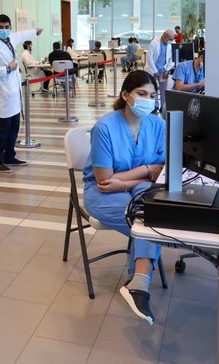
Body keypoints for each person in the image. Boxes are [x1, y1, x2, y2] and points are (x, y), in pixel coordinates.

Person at [83, 70, 165, 325]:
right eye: (141, 94)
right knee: (143, 218)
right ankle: (139, 281)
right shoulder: (105, 127)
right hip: (101, 192)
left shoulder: (158, 124)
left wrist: (129, 180)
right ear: (126, 95)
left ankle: (137, 283)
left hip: (136, 186)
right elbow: (105, 180)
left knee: (153, 211)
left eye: (152, 95)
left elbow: (161, 170)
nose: (147, 100)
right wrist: (146, 170)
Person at [0, 14, 42, 173]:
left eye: (7, 27)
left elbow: (22, 35)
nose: (4, 30)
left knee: (15, 125)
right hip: (3, 92)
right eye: (0, 27)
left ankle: (9, 155)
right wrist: (8, 68)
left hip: (14, 91)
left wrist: (35, 31)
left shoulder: (10, 38)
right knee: (4, 128)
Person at [146, 29, 174, 113]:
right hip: (153, 69)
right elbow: (149, 58)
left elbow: (171, 59)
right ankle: (155, 106)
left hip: (164, 70)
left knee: (163, 89)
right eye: (170, 39)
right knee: (153, 89)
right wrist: (154, 71)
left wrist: (167, 70)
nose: (171, 41)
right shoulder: (154, 43)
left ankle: (163, 106)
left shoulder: (171, 43)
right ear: (164, 37)